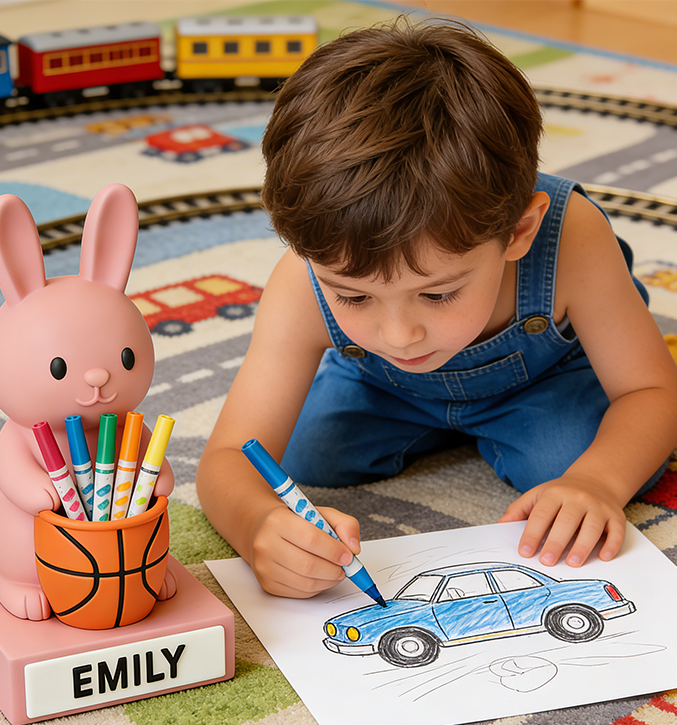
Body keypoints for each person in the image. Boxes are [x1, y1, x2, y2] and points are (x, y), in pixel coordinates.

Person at [195, 17, 677, 599]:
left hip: (542, 384)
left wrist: (597, 481)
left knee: (573, 466)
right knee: (307, 454)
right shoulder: (302, 279)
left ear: (518, 231)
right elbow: (228, 459)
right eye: (352, 295)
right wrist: (256, 527)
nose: (399, 335)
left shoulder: (570, 239)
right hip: (384, 390)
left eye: (438, 292)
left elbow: (652, 392)